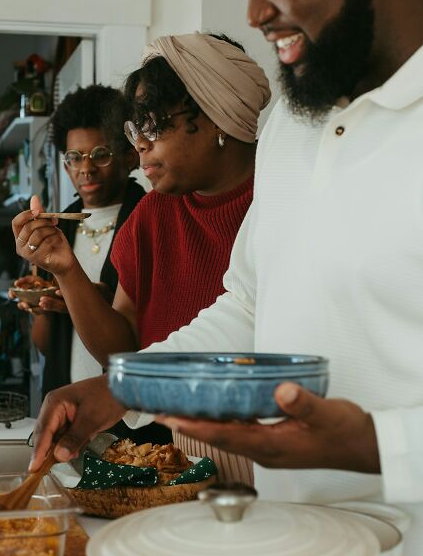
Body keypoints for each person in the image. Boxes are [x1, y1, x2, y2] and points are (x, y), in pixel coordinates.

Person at [29, 0, 423, 556]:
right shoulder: (296, 123)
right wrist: (122, 389)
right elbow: (250, 308)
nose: (257, 12)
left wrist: (370, 444)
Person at [13, 33, 270, 474]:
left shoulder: (282, 202)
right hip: (176, 456)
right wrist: (67, 270)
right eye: (135, 130)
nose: (139, 145)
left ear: (217, 118)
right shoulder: (154, 215)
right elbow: (122, 350)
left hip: (274, 456)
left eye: (153, 127)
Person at [10, 84, 144, 396]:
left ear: (129, 155)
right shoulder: (57, 229)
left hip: (126, 411)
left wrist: (96, 301)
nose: (85, 168)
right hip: (68, 403)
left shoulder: (146, 219)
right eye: (74, 157)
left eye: (100, 155)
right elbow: (46, 347)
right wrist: (42, 306)